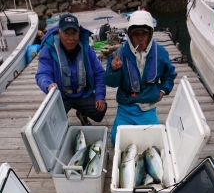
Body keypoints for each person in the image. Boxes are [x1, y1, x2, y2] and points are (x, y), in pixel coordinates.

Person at [104, 10, 177, 145]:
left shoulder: (160, 52)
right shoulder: (118, 55)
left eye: (144, 33)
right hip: (126, 108)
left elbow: (170, 75)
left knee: (154, 143)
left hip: (147, 108)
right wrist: (114, 69)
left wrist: (163, 90)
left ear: (150, 33)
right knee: (116, 140)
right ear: (130, 35)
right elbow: (111, 83)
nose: (140, 38)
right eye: (136, 34)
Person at [36, 13, 107, 126]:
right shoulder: (49, 49)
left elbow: (99, 73)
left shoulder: (86, 48)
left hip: (83, 93)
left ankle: (82, 113)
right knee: (52, 122)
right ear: (59, 33)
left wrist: (100, 96)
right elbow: (42, 74)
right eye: (66, 34)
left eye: (74, 33)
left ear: (79, 33)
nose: (71, 38)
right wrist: (48, 85)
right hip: (62, 96)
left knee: (99, 111)